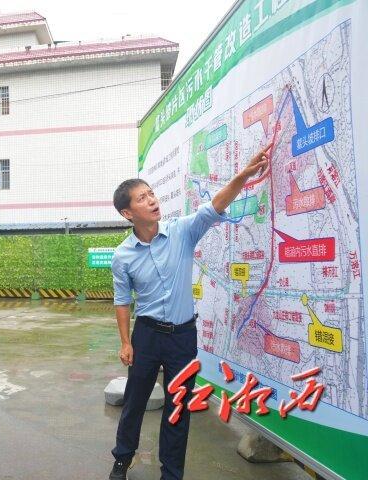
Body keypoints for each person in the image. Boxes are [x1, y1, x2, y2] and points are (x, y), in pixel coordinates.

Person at [108, 143, 272, 480]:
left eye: (151, 194)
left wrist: (244, 174)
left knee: (177, 408)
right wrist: (126, 342)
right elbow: (122, 301)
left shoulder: (182, 232)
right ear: (127, 213)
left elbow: (215, 205)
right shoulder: (122, 256)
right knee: (135, 401)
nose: (151, 200)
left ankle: (172, 473)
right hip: (147, 335)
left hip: (183, 337)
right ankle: (122, 458)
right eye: (141, 198)